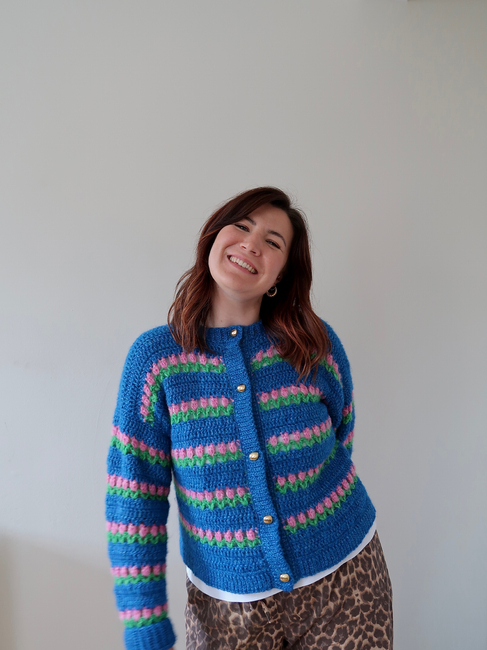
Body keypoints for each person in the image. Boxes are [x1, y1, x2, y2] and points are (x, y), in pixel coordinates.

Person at [106, 187, 393, 650]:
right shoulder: (156, 361)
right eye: (241, 226)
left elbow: (342, 438)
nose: (252, 243)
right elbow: (134, 496)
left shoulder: (313, 345)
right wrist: (144, 623)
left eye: (273, 242)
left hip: (346, 581)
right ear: (213, 238)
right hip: (227, 609)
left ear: (281, 274)